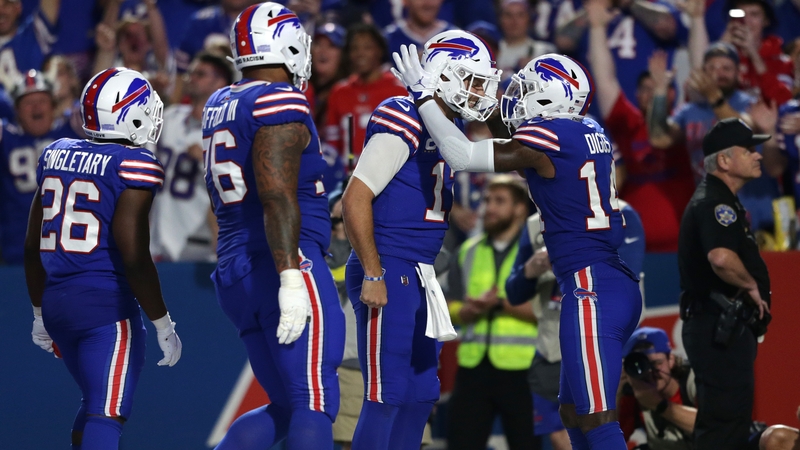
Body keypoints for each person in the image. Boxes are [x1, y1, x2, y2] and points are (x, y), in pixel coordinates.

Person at [393, 48, 643, 448]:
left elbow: (461, 155)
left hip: (592, 285)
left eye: (528, 89)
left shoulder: (551, 136)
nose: (516, 96)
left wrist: (424, 96)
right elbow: (516, 145)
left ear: (550, 98)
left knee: (597, 417)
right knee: (573, 412)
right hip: (604, 281)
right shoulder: (584, 129)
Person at [342, 29, 500, 450]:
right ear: (443, 74)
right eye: (469, 78)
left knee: (422, 394)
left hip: (420, 271)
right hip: (390, 264)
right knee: (387, 392)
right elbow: (355, 197)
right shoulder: (402, 112)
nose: (477, 90)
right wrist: (374, 273)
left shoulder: (445, 123)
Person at [203, 4, 345, 449]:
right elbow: (275, 193)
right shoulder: (278, 98)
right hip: (284, 258)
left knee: (286, 405)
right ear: (284, 44)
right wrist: (290, 276)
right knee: (314, 401)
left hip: (235, 267)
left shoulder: (219, 101)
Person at [22, 67, 182, 449]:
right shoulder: (133, 165)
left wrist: (39, 313)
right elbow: (134, 257)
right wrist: (163, 322)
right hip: (105, 310)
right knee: (107, 414)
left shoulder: (57, 152)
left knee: (95, 404)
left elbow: (31, 246)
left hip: (58, 304)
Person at [505, 198, 645, 450]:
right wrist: (530, 269)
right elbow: (513, 292)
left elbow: (627, 275)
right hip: (551, 346)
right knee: (569, 420)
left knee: (598, 418)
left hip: (599, 338)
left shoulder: (620, 214)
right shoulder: (534, 224)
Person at [678, 117, 772, 450]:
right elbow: (720, 258)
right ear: (724, 160)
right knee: (724, 428)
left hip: (722, 327)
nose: (758, 155)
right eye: (748, 150)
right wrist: (750, 286)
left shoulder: (721, 199)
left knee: (727, 424)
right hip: (718, 327)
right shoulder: (715, 202)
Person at [445, 175, 538, 450]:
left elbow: (545, 313)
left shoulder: (539, 253)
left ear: (520, 208)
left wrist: (498, 303)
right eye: (487, 200)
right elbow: (449, 308)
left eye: (499, 201)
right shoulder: (466, 251)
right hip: (473, 368)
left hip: (524, 369)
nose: (489, 207)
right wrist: (469, 310)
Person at [149, 52, 232, 262]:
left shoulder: (227, 133)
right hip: (156, 239)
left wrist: (207, 162)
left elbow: (237, 186)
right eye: (191, 73)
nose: (191, 78)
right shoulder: (171, 116)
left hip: (196, 242)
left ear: (220, 83)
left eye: (200, 74)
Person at [0, 69, 80, 264]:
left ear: (53, 106)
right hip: (18, 251)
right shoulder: (7, 138)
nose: (36, 107)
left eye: (42, 100)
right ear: (17, 110)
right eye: (28, 103)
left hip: (71, 249)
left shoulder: (73, 130)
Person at [617, 327, 698, 449]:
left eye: (656, 363)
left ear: (671, 359)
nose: (650, 372)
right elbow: (612, 441)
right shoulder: (634, 394)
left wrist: (658, 404)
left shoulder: (694, 380)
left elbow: (715, 427)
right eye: (642, 366)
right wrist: (617, 393)